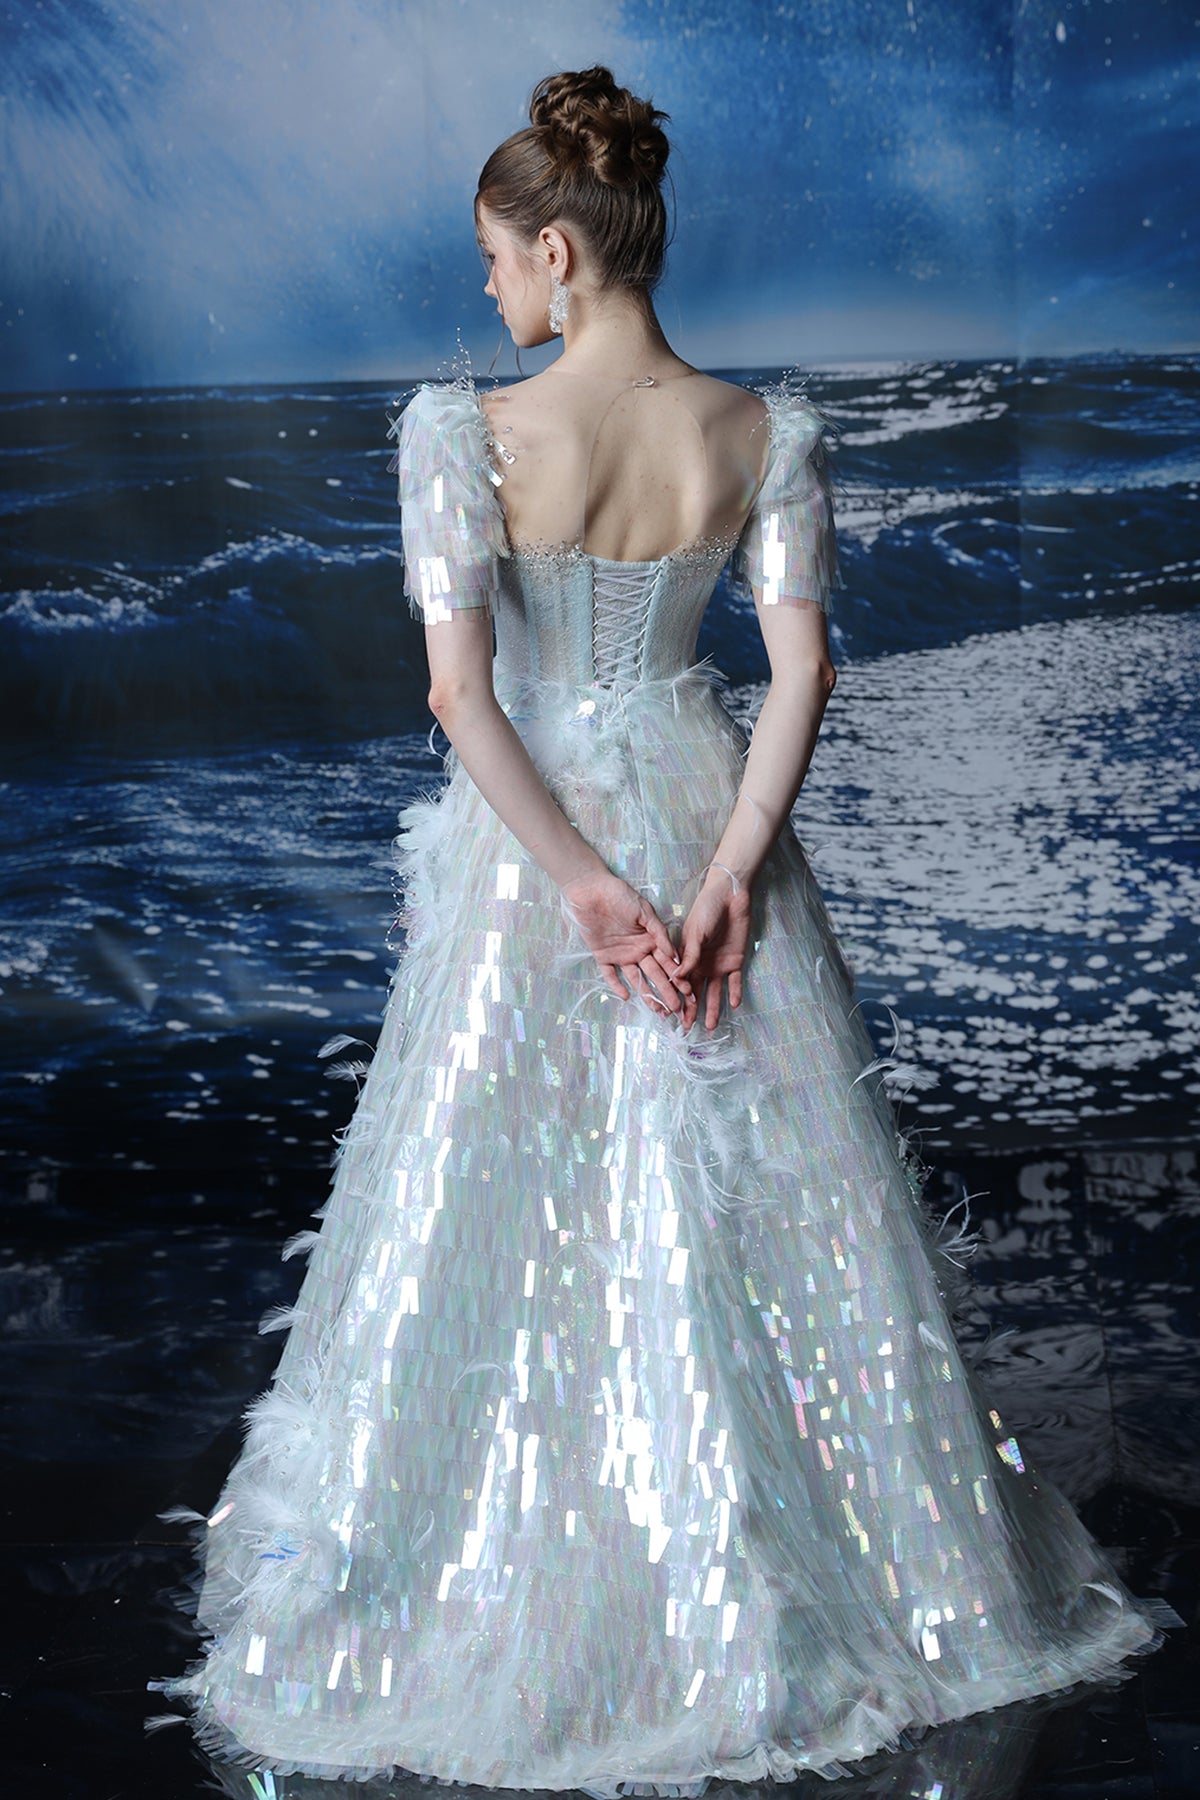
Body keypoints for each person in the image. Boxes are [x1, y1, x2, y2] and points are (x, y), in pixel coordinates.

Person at [154, 66, 1174, 1793]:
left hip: (537, 849)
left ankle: (529, 1563)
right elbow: (804, 672)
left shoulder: (463, 436)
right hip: (709, 817)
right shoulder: (764, 433)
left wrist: (581, 882)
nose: (487, 287)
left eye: (495, 258)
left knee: (497, 1193)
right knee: (768, 1207)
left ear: (558, 252)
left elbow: (461, 700)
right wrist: (726, 876)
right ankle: (822, 1560)